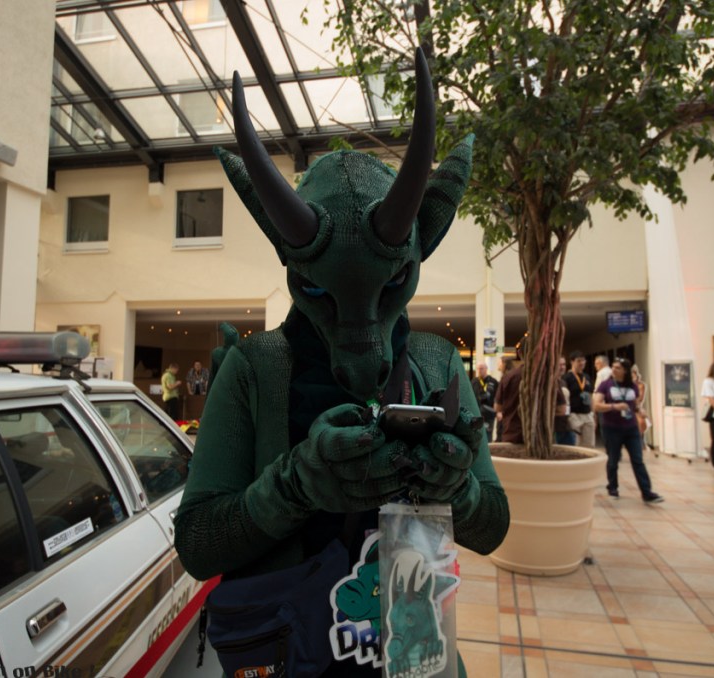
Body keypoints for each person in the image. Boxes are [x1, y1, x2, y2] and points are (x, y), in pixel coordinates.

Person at [174, 56, 507, 677]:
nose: (364, 341)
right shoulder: (254, 368)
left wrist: (454, 487)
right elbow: (197, 543)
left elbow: (492, 527)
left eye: (390, 287)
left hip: (417, 655)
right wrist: (296, 485)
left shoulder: (436, 361)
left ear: (414, 257)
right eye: (322, 293)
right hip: (291, 647)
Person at [593, 357, 664, 503]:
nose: (613, 370)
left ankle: (647, 492)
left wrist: (641, 411)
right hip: (612, 428)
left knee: (638, 460)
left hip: (631, 428)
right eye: (613, 367)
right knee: (613, 459)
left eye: (618, 368)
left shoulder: (633, 386)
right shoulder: (605, 385)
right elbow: (597, 405)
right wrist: (614, 407)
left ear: (625, 371)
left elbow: (635, 404)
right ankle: (612, 487)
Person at [495, 342, 525, 444]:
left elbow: (498, 406)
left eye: (500, 363)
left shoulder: (509, 377)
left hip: (512, 430)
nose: (499, 366)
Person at [564, 350, 595, 447]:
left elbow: (590, 395)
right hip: (574, 414)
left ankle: (588, 462)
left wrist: (593, 413)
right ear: (572, 362)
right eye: (578, 361)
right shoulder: (567, 378)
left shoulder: (587, 377)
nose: (582, 363)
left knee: (589, 444)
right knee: (576, 444)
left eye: (583, 360)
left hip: (587, 413)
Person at [471, 362, 499, 441]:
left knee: (488, 434)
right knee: (477, 434)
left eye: (481, 368)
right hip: (477, 413)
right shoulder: (474, 382)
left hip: (489, 413)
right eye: (478, 369)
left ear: (486, 369)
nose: (479, 371)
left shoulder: (493, 382)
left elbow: (498, 397)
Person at [554, 356, 576, 445]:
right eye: (559, 365)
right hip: (555, 427)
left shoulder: (563, 382)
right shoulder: (549, 382)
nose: (562, 367)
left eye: (563, 364)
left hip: (566, 424)